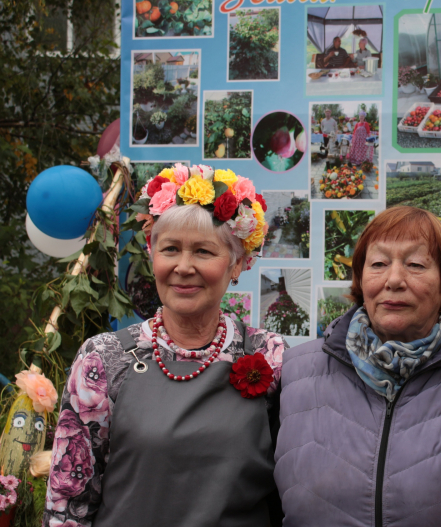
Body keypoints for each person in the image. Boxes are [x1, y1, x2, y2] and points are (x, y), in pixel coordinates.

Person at [44, 164, 286, 527]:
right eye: (170, 249)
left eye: (203, 252)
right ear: (153, 257)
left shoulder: (271, 356)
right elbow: (67, 504)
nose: (183, 267)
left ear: (236, 264)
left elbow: (296, 489)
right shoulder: (105, 359)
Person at [275, 206, 441, 527]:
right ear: (361, 281)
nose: (394, 279)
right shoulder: (295, 371)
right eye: (378, 264)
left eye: (416, 264)